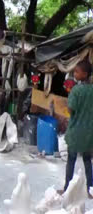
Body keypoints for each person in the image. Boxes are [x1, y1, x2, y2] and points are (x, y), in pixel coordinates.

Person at [60, 60, 93, 197]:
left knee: (71, 160)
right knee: (87, 161)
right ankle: (91, 189)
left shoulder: (76, 90)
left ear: (84, 74)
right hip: (88, 132)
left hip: (75, 131)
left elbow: (71, 109)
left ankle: (67, 188)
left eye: (76, 72)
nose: (74, 73)